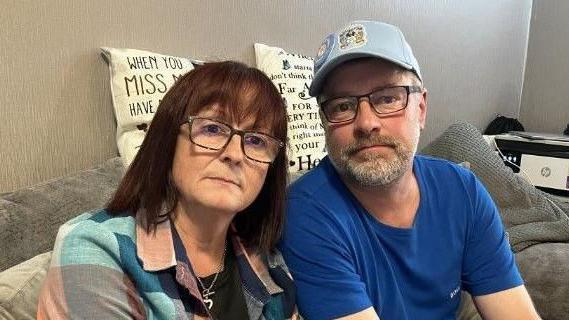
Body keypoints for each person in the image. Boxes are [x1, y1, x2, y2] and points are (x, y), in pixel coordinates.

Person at [279, 20, 540, 319]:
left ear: (421, 109)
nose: (366, 123)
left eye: (388, 98)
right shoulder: (305, 213)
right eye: (342, 106)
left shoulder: (462, 190)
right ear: (325, 123)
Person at [38, 61, 298, 319]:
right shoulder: (97, 248)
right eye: (212, 128)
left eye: (256, 140)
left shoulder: (265, 258)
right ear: (168, 140)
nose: (234, 154)